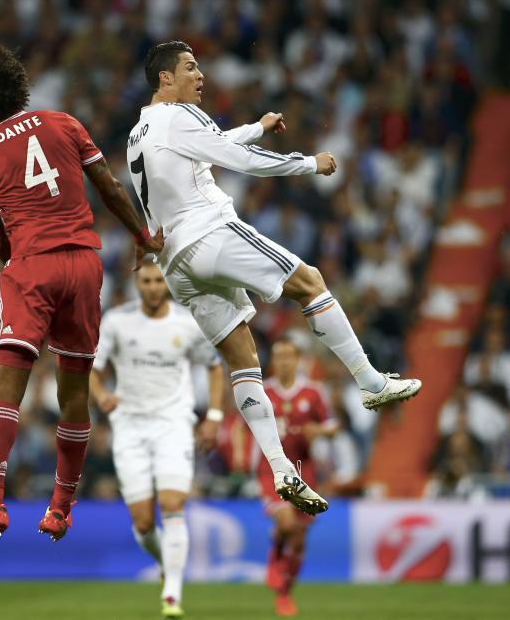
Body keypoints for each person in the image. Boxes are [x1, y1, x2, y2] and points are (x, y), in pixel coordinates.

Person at [126, 40, 421, 515]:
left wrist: (257, 127)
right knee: (310, 281)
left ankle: (282, 468)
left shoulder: (139, 133)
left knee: (243, 360)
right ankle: (369, 382)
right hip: (211, 232)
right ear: (165, 77)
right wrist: (309, 163)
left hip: (178, 263)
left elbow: (208, 148)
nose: (200, 75)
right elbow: (235, 161)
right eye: (190, 67)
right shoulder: (182, 114)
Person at [0, 44, 162, 553]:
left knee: (6, 386)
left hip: (32, 268)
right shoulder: (63, 123)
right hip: (84, 264)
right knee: (74, 394)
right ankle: (60, 509)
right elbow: (108, 186)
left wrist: (22, 250)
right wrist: (142, 236)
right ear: (18, 84)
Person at [89, 260, 224, 619]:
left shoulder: (186, 323)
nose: (152, 287)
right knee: (144, 523)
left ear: (167, 283)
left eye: (158, 280)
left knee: (173, 505)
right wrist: (102, 395)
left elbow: (213, 366)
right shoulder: (117, 322)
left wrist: (212, 417)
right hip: (129, 426)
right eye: (146, 281)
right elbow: (93, 371)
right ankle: (168, 562)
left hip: (173, 423)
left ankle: (171, 594)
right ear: (137, 283)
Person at [255, 340, 336, 616]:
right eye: (278, 357)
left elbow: (332, 424)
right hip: (272, 470)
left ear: (298, 360)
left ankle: (284, 594)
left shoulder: (313, 392)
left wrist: (321, 431)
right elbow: (248, 424)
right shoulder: (264, 393)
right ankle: (276, 547)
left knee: (299, 538)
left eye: (289, 356)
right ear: (273, 361)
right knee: (286, 522)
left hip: (304, 468)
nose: (284, 362)